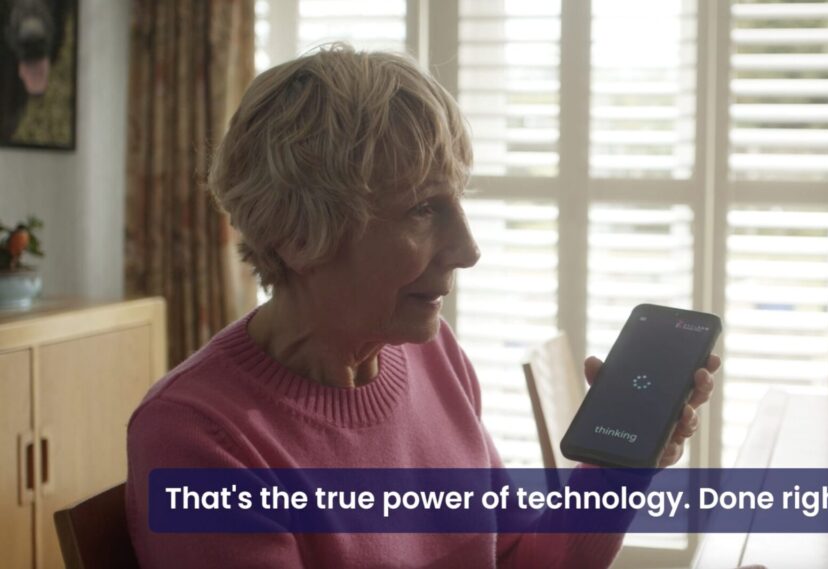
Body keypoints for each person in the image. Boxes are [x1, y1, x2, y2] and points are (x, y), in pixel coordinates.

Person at [124, 43, 720, 569]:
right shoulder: (199, 440)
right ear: (299, 235)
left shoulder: (434, 357)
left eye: (457, 201)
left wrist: (617, 472)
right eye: (422, 209)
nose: (467, 250)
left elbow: (515, 558)